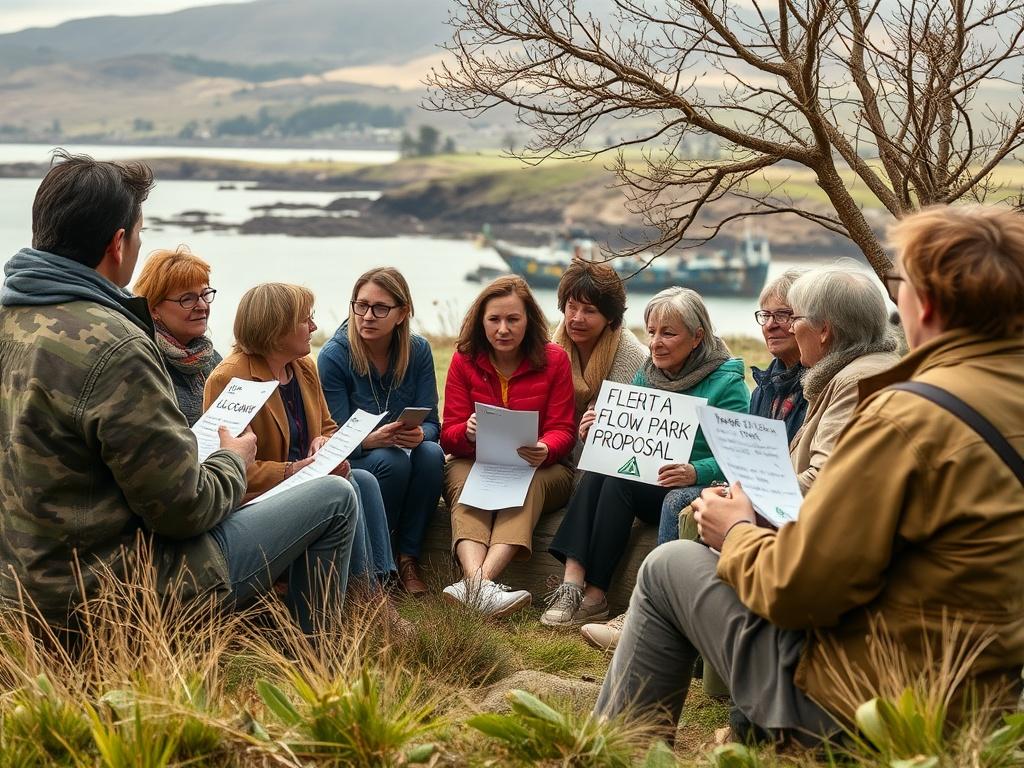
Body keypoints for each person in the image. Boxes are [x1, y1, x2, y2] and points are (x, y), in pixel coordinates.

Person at [594, 204, 1024, 742]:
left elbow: (800, 589)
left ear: (929, 303)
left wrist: (737, 534)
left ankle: (615, 751)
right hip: (988, 705)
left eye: (902, 284)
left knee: (669, 565)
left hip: (875, 706)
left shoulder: (906, 418)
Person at [0, 153, 357, 635]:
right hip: (110, 592)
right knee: (334, 496)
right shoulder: (117, 344)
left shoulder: (11, 325)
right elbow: (184, 509)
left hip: (18, 587)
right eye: (140, 235)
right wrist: (233, 458)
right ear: (118, 242)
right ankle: (320, 667)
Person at [542, 287, 749, 642]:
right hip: (651, 481)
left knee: (637, 485)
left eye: (668, 333)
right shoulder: (647, 371)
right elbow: (627, 442)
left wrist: (696, 470)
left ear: (697, 337)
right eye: (651, 332)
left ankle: (636, 607)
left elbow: (740, 455)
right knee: (603, 469)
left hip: (694, 486)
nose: (655, 343)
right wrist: (596, 433)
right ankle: (579, 587)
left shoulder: (726, 383)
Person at [204, 283, 396, 588]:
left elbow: (328, 427)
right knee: (346, 485)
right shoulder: (230, 378)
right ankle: (364, 596)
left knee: (365, 481)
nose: (314, 326)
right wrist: (293, 470)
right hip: (260, 498)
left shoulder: (303, 367)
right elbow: (230, 465)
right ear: (276, 328)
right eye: (305, 320)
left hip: (305, 482)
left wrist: (324, 443)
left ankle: (378, 584)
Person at [440, 276, 576, 617]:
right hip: (478, 461)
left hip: (541, 468)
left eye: (513, 319)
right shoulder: (463, 359)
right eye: (494, 319)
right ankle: (482, 589)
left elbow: (563, 429)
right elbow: (448, 434)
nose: (503, 328)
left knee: (525, 485)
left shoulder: (554, 359)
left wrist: (545, 447)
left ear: (528, 320)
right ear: (480, 321)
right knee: (461, 477)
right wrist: (467, 432)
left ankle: (475, 585)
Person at [319, 267, 443, 597]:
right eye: (360, 305)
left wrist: (422, 436)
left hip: (401, 451)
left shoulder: (418, 351)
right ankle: (378, 563)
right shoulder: (335, 356)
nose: (367, 316)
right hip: (355, 460)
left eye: (380, 308)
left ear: (402, 313)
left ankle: (408, 558)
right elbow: (332, 437)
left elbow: (433, 423)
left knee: (431, 455)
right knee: (393, 461)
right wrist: (370, 440)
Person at [786, 264, 900, 494]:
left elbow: (823, 480)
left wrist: (745, 495)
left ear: (824, 331)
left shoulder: (857, 382)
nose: (790, 329)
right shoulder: (872, 368)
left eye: (795, 318)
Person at [551, 259, 648, 465]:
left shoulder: (632, 356)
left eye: (589, 311)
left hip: (607, 464)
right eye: (572, 307)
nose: (577, 318)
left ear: (611, 317)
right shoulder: (552, 349)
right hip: (554, 454)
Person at [133, 246, 221, 426]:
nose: (202, 306)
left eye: (205, 294)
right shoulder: (143, 362)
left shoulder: (211, 359)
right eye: (187, 299)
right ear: (154, 308)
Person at [749, 269, 807, 442]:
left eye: (782, 315)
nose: (769, 325)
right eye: (765, 315)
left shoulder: (823, 387)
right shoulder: (763, 387)